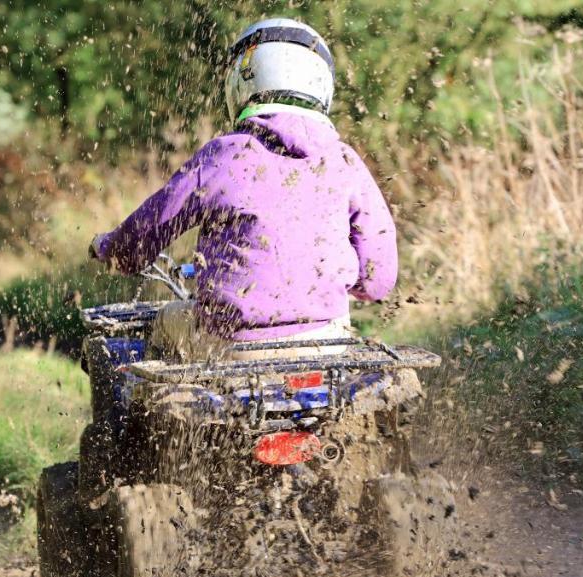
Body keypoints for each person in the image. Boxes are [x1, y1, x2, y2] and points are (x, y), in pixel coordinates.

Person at [88, 17, 398, 360]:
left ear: (240, 82)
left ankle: (163, 411)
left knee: (164, 322)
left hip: (233, 348)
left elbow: (144, 233)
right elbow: (377, 281)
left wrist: (110, 249)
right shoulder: (344, 161)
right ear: (322, 85)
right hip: (328, 346)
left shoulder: (224, 156)